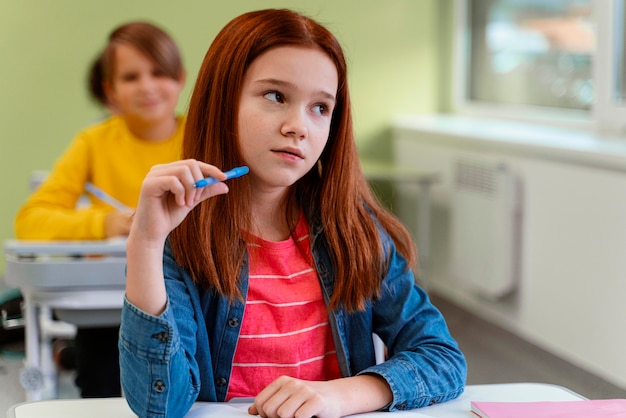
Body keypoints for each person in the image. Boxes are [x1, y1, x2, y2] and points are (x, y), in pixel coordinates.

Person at [120, 8, 467, 418]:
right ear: (222, 100)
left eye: (320, 108)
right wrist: (145, 243)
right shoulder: (180, 240)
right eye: (275, 96)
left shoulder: (356, 232)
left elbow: (442, 357)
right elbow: (159, 407)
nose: (298, 126)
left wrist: (343, 394)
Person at [14, 21, 186, 398]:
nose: (146, 86)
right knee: (103, 388)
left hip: (189, 297)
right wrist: (107, 222)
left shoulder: (201, 135)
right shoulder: (94, 142)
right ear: (111, 91)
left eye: (159, 72)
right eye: (130, 77)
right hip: (108, 304)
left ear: (181, 79)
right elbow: (31, 220)